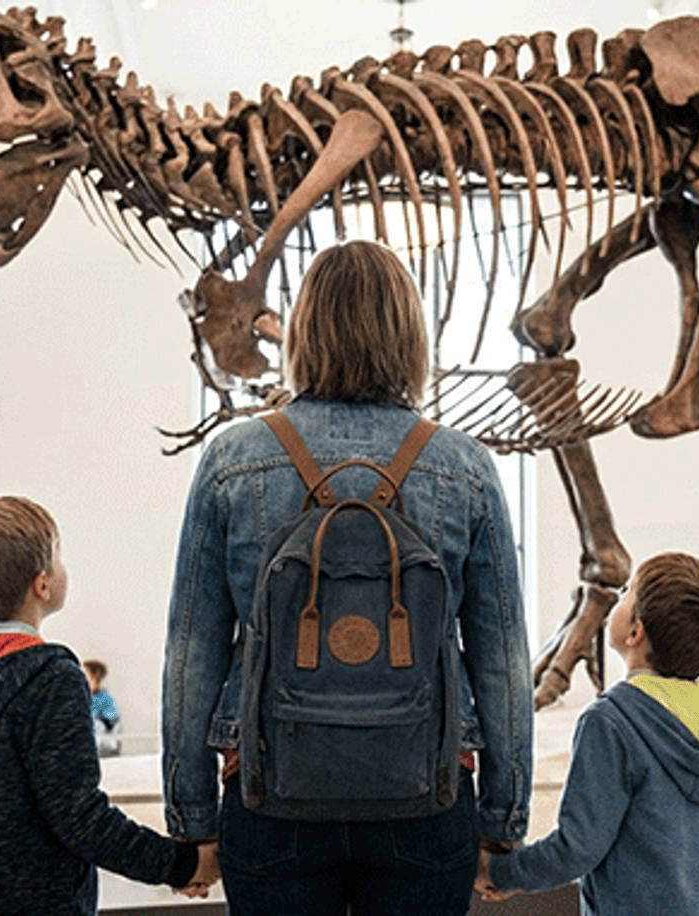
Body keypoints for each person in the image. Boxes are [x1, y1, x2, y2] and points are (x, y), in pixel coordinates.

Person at [162, 240, 532, 916]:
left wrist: (193, 820)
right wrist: (503, 822)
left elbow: (192, 650)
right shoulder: (465, 466)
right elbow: (502, 659)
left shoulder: (232, 461)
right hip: (428, 794)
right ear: (410, 337)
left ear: (301, 331)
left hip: (270, 794)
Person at [0, 495, 218, 915]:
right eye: (59, 556)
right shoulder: (49, 676)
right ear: (42, 584)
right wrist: (183, 865)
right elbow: (81, 819)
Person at [476, 552, 699, 915]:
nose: (617, 597)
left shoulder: (611, 721)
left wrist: (501, 872)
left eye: (626, 593)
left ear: (636, 632)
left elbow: (577, 848)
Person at [83, 659, 122, 758]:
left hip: (102, 743)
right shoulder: (82, 697)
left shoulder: (105, 698)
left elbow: (110, 724)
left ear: (96, 679)